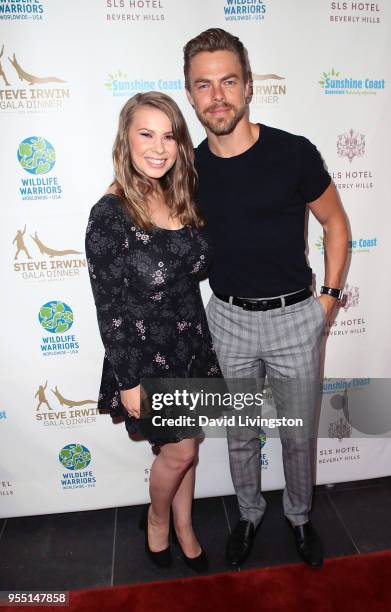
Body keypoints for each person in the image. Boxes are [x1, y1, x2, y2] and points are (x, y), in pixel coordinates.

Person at [183, 28, 349, 568]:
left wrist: (327, 299)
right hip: (226, 318)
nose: (217, 96)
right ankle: (249, 514)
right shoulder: (187, 167)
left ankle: (300, 519)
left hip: (293, 315)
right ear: (190, 95)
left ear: (249, 85)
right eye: (204, 85)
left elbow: (336, 224)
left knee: (298, 435)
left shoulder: (292, 153)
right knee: (240, 432)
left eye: (228, 81)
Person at [85, 91, 223, 573]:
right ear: (126, 137)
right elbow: (109, 308)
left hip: (190, 343)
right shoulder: (110, 214)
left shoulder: (177, 191)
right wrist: (127, 381)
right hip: (145, 355)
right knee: (180, 450)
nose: (159, 147)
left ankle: (185, 525)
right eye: (146, 133)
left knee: (187, 448)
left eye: (169, 136)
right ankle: (158, 520)